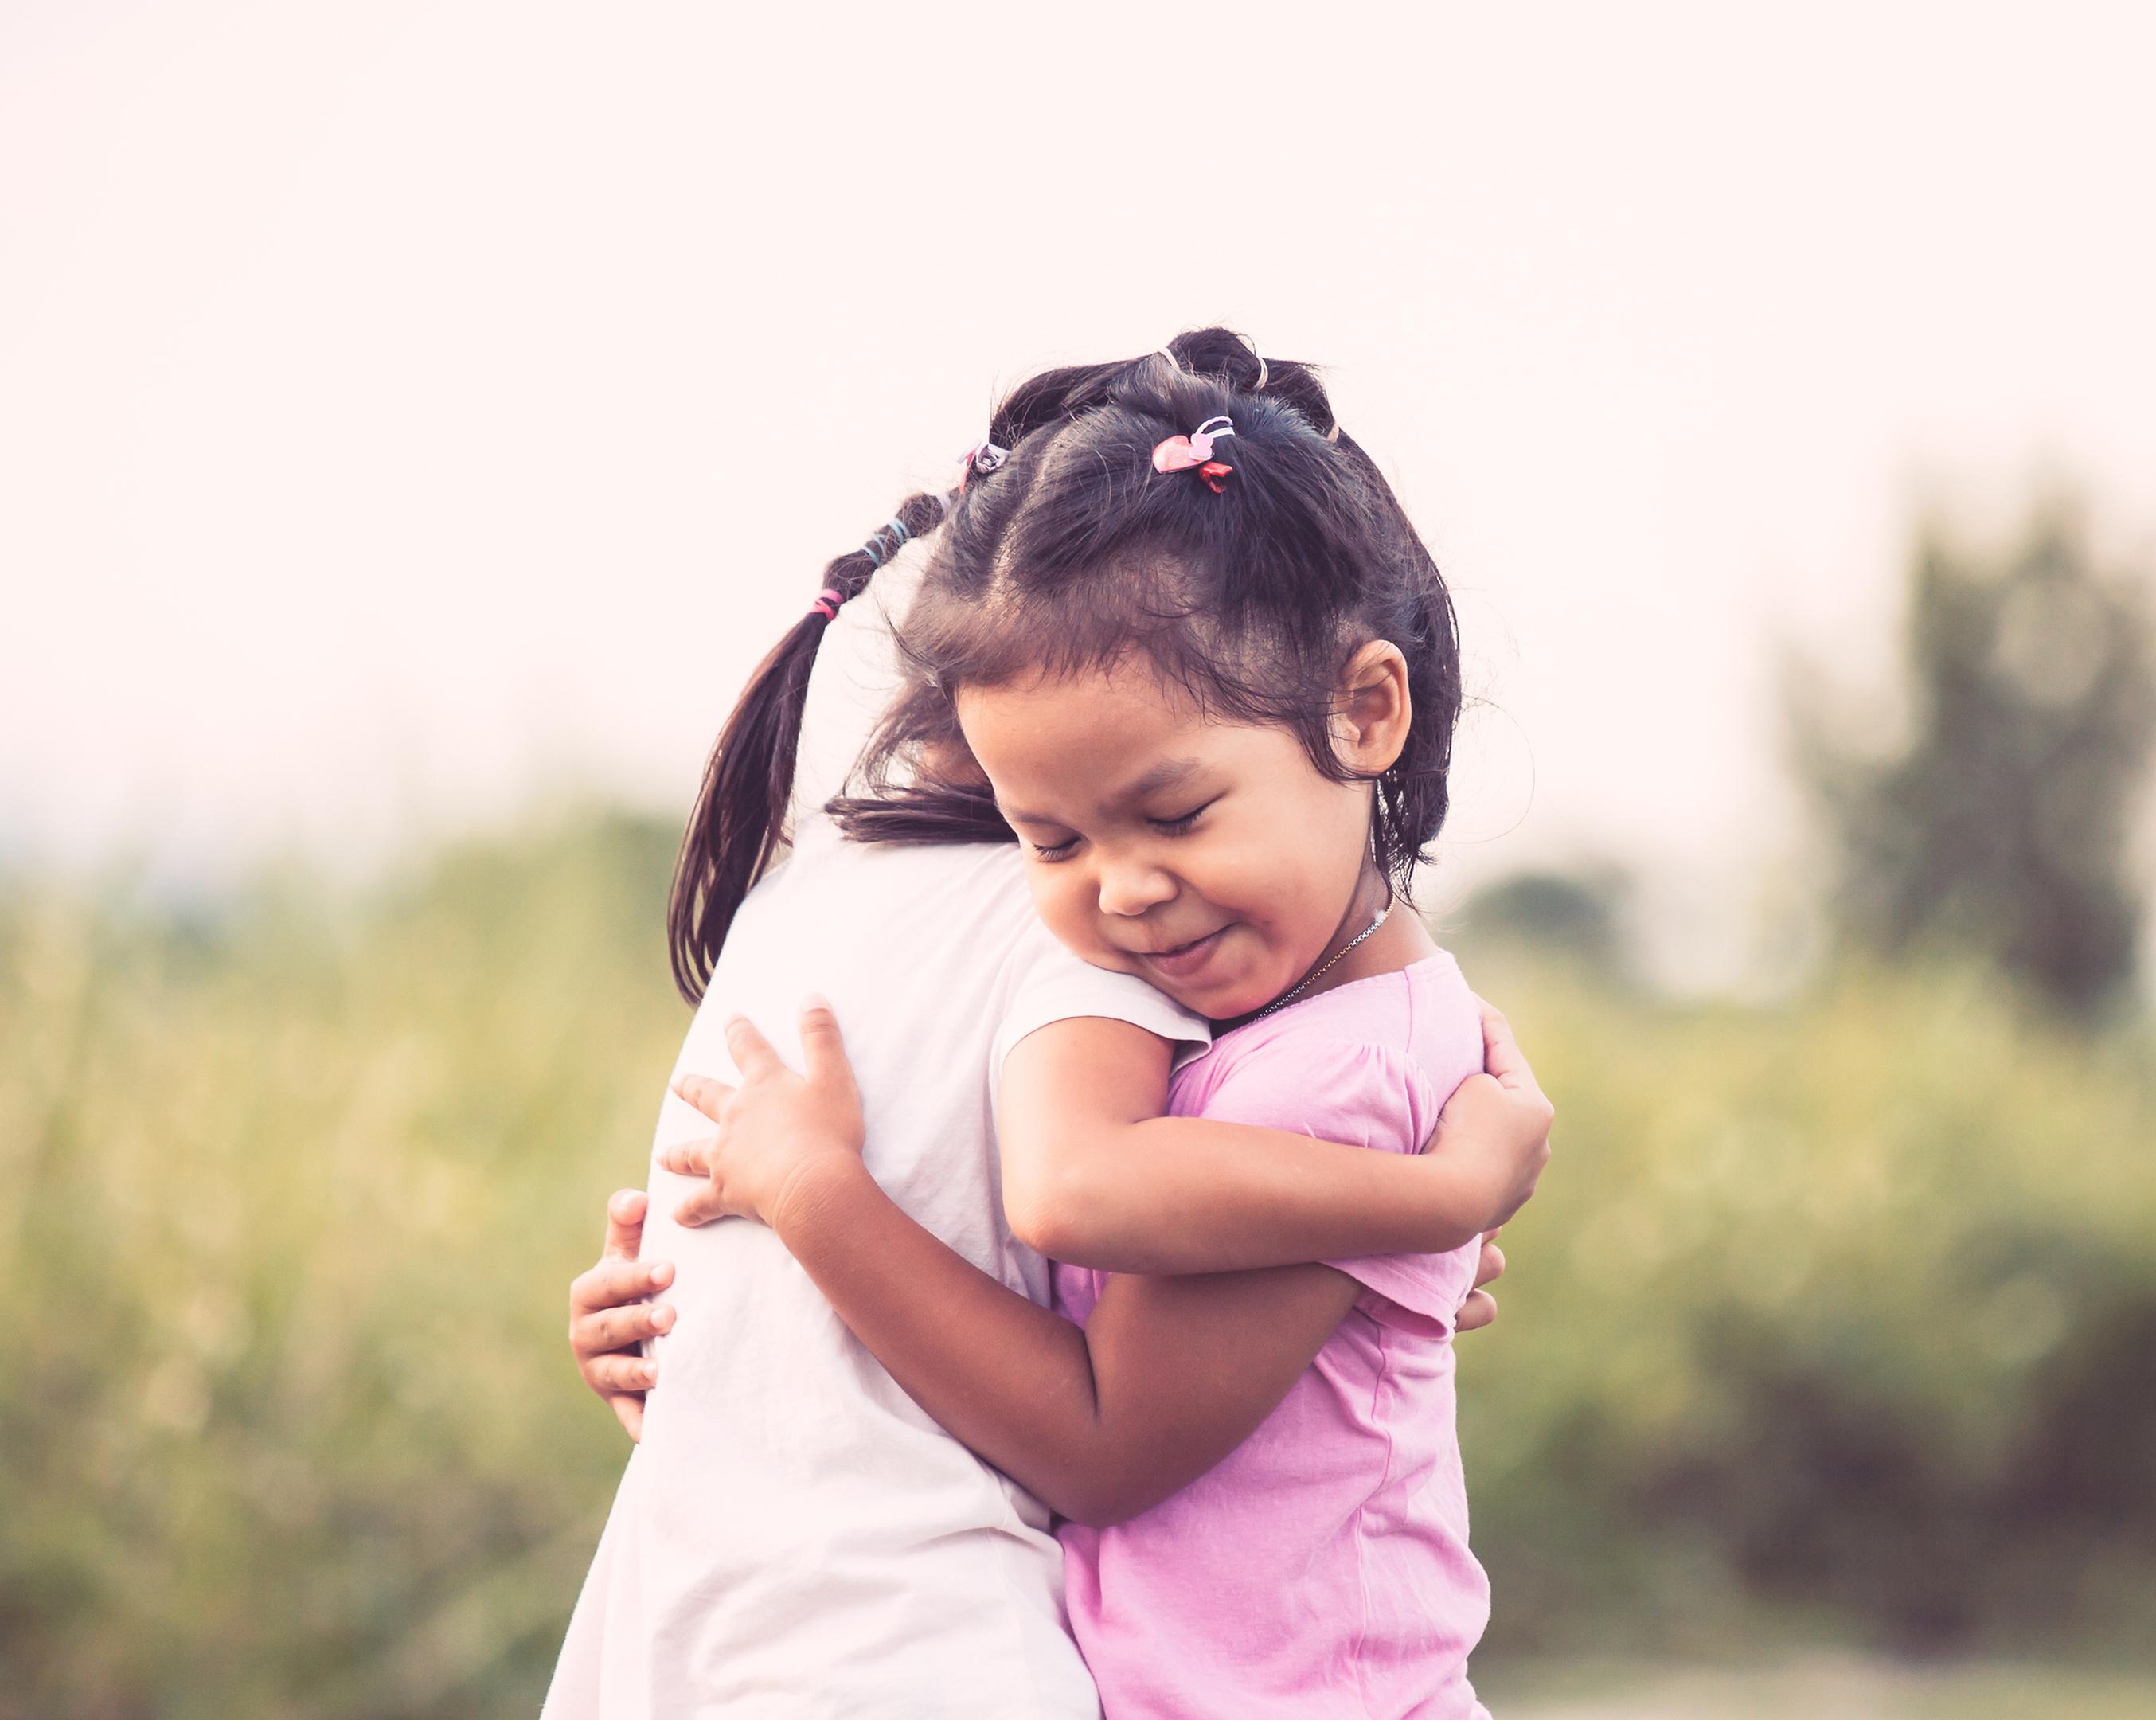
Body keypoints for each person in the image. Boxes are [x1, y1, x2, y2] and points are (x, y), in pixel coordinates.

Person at [544, 330, 1549, 1719]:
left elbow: (1092, 1388)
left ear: (1367, 711)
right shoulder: (1281, 1039)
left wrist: (817, 1196)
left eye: (1177, 813)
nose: (1126, 891)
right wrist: (719, 1332)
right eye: (1053, 837)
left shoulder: (1350, 1073)